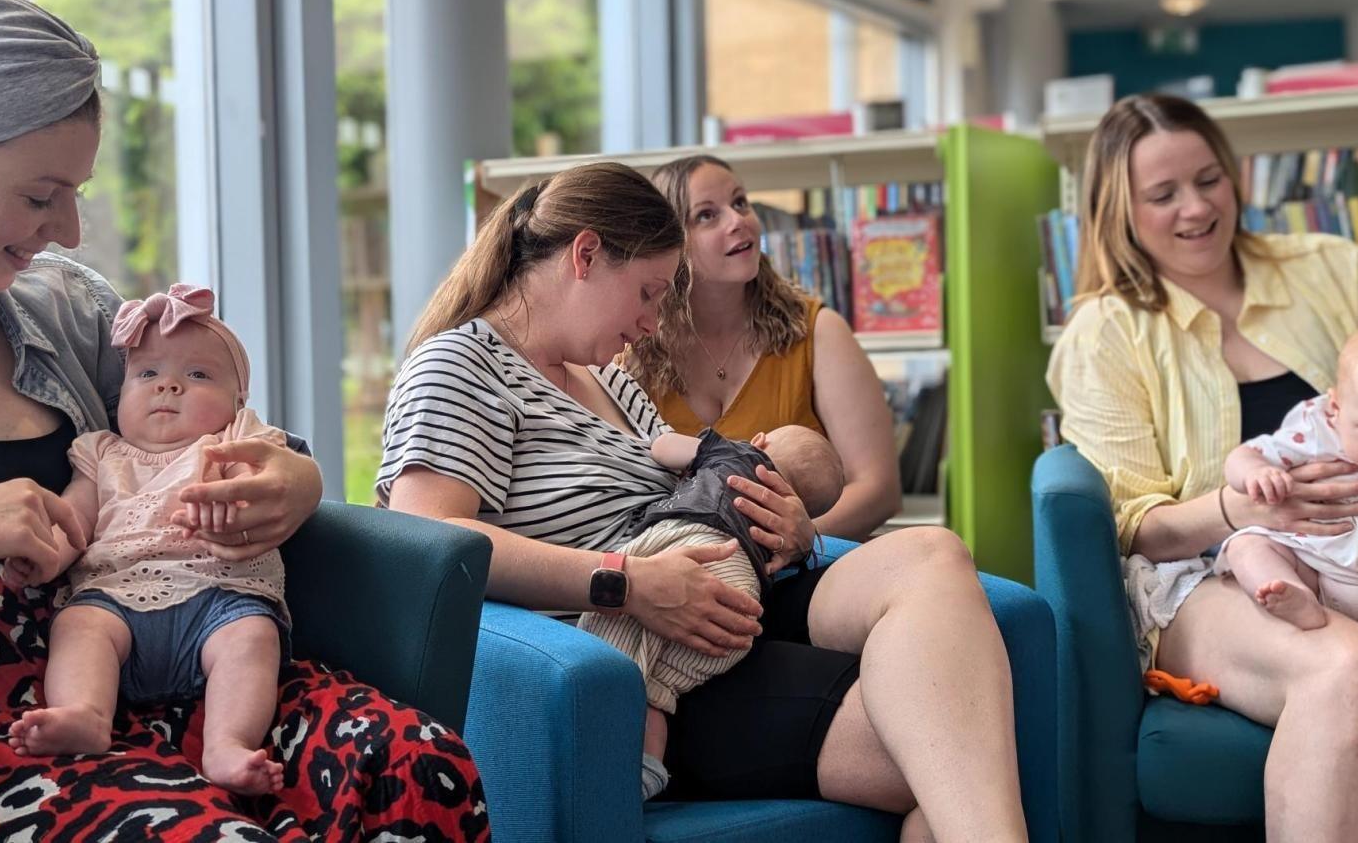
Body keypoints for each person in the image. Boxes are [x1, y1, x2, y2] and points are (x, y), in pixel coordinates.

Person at [0, 0, 486, 839]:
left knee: (410, 764)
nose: (70, 230)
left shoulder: (70, 306)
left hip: (166, 668)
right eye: (41, 195)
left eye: (76, 194)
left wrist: (293, 485)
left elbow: (229, 424)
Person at [381, 161, 1027, 843]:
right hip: (644, 656)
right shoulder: (460, 367)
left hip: (724, 593)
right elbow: (430, 538)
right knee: (956, 741)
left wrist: (792, 526)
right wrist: (625, 583)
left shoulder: (606, 380)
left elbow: (700, 479)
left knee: (932, 552)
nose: (653, 324)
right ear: (586, 255)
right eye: (648, 293)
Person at [1048, 92, 1358, 840]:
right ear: (1121, 210)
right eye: (1163, 193)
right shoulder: (1105, 332)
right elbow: (1135, 526)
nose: (1196, 207)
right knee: (1351, 671)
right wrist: (1247, 511)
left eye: (1209, 179)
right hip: (1209, 573)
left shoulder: (1336, 268)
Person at [3, 284, 291, 797]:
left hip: (219, 598)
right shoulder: (101, 453)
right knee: (78, 624)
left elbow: (268, 487)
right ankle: (87, 714)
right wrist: (46, 553)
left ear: (238, 400)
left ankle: (226, 743)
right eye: (148, 374)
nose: (169, 387)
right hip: (116, 598)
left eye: (197, 375)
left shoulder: (236, 438)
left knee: (252, 636)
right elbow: (76, 518)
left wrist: (234, 498)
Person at [624, 154, 901, 541]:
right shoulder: (630, 348)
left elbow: (878, 491)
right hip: (677, 567)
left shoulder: (819, 331)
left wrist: (791, 540)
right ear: (668, 242)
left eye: (740, 203)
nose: (738, 220)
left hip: (807, 563)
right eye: (707, 215)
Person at [577, 424, 845, 800]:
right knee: (659, 688)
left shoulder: (736, 454)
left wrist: (665, 445)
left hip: (693, 549)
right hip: (741, 595)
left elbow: (665, 448)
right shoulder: (785, 516)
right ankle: (648, 767)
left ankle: (598, 756)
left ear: (761, 440)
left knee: (611, 642)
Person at [1217, 320, 1358, 632]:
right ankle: (1296, 598)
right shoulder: (1317, 432)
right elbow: (1244, 456)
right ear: (1336, 408)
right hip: (1312, 565)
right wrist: (1257, 473)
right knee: (1248, 545)